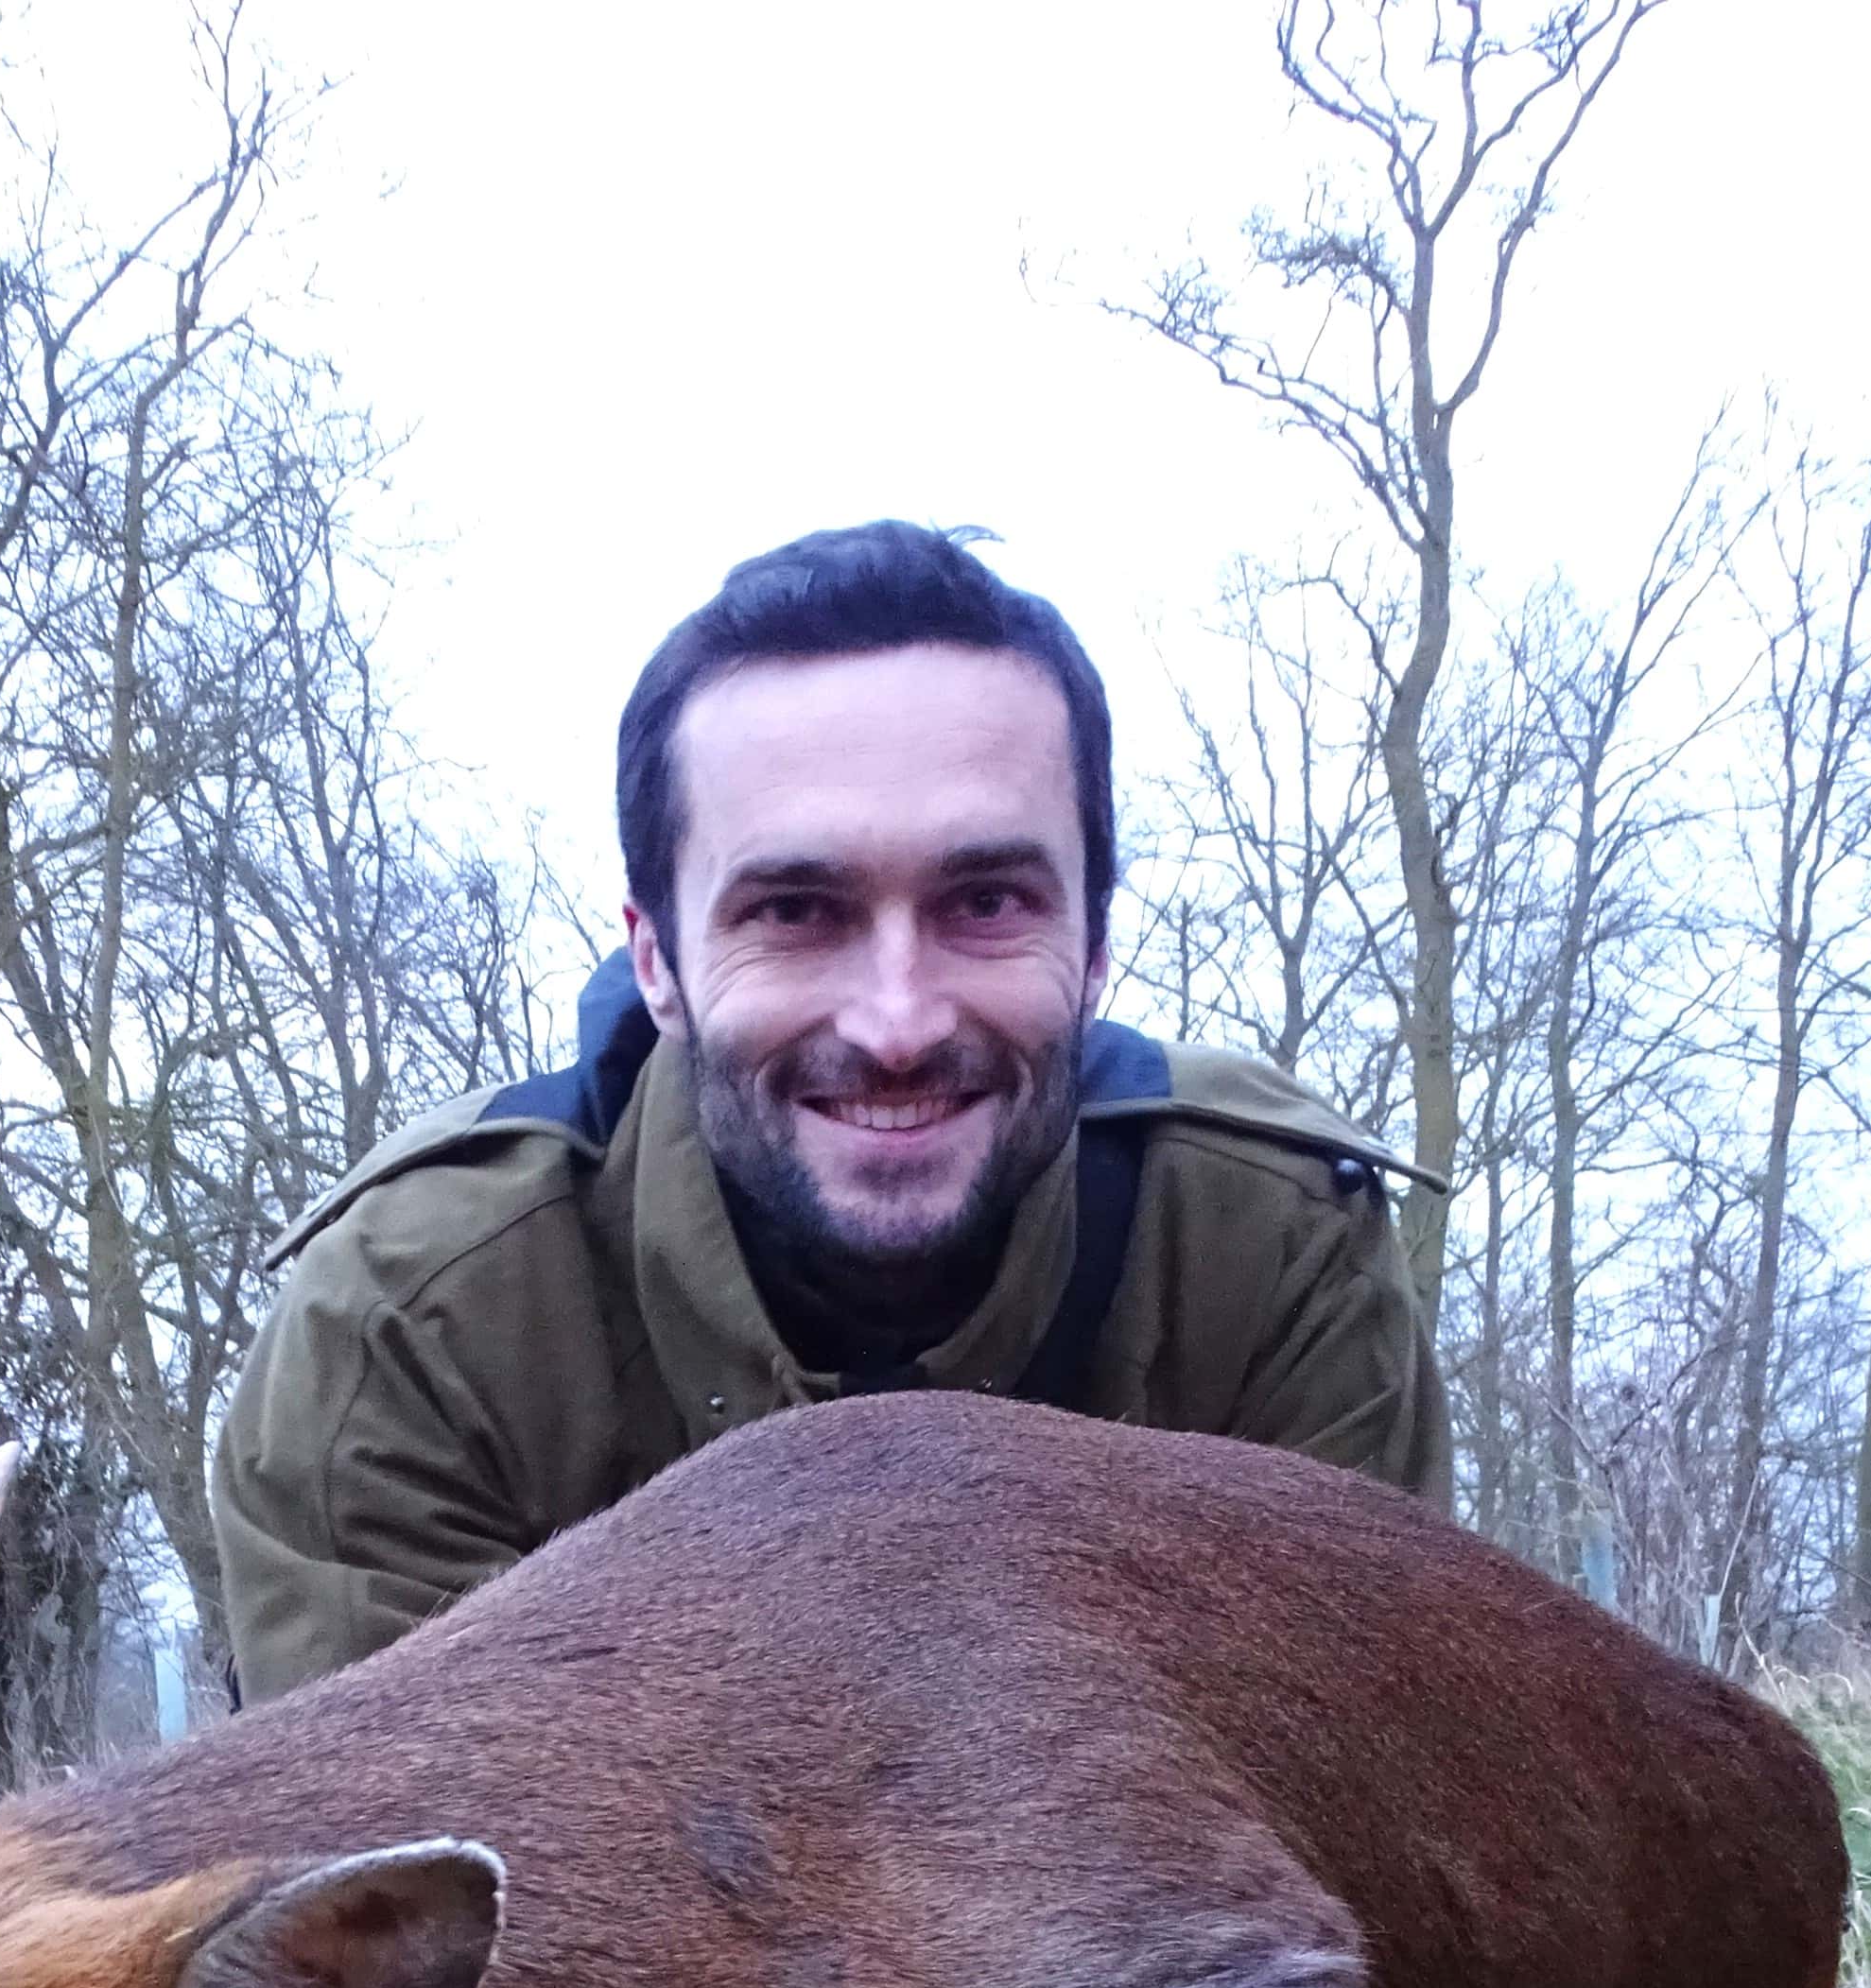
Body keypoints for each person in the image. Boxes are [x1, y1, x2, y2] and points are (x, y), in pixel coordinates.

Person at [208, 518, 1447, 1703]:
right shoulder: (416, 1325)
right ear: (656, 961)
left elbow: (1389, 1847)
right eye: (795, 913)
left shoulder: (1275, 1252)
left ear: (1095, 939)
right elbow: (400, 1897)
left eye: (988, 903)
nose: (898, 1023)